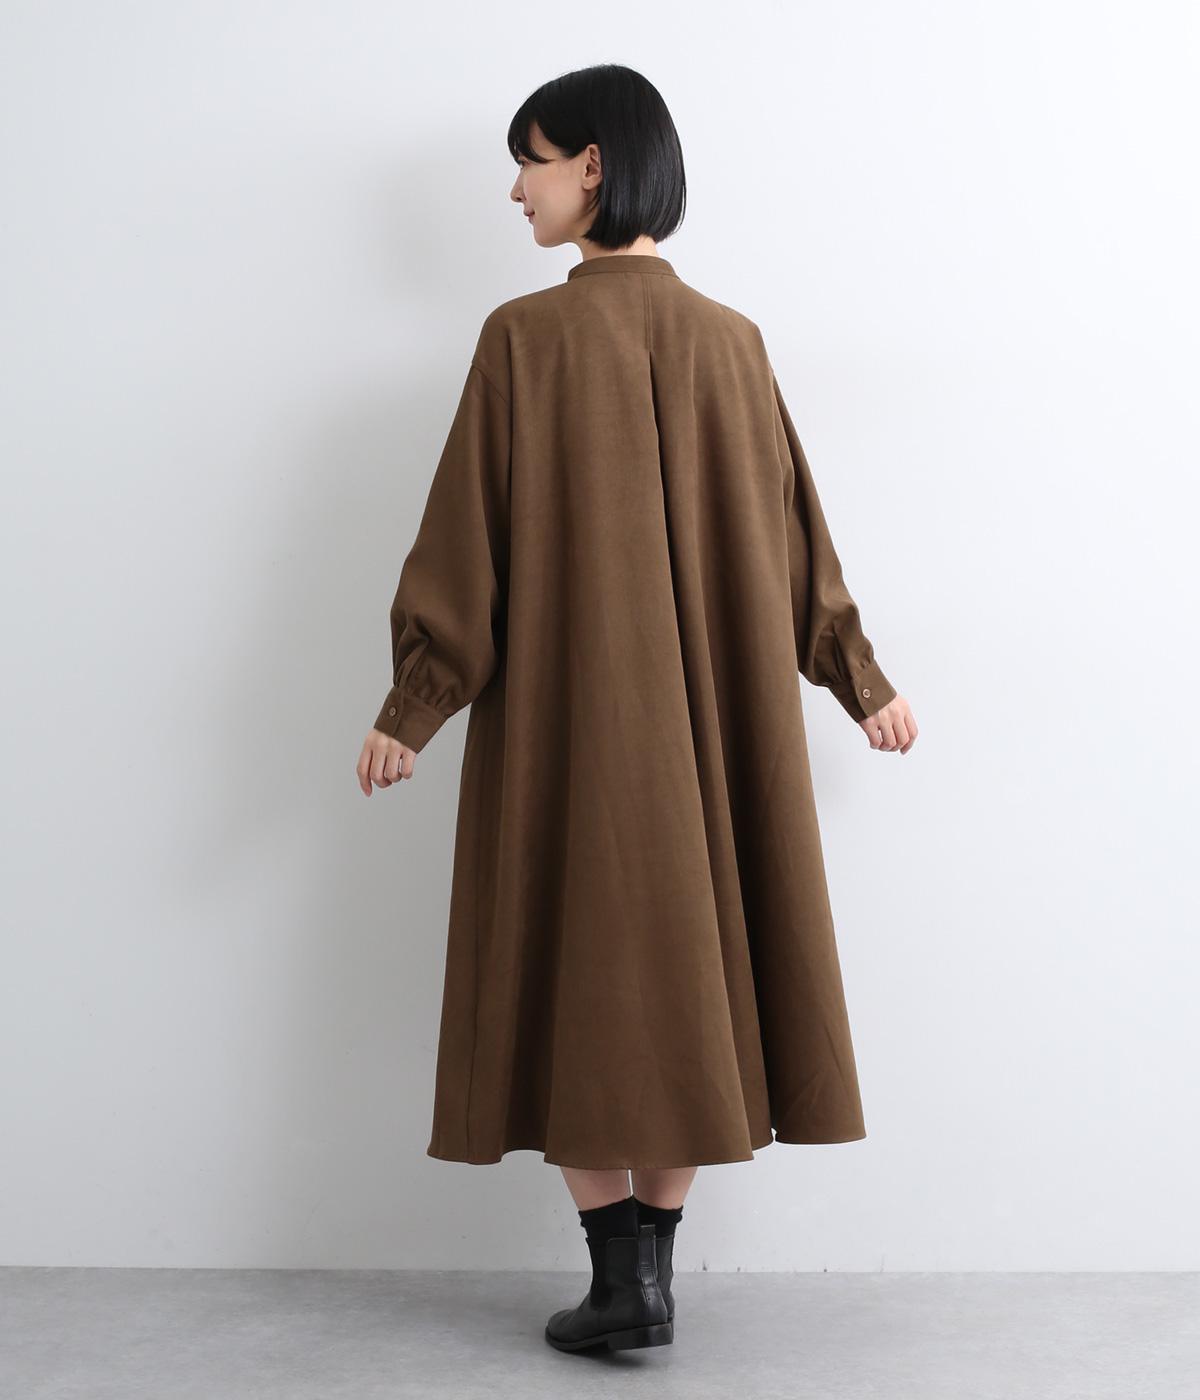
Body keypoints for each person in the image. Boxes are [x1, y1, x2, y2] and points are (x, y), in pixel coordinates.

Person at [355, 63, 917, 1354]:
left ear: (592, 167)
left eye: (531, 162)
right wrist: (860, 682)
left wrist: (413, 706)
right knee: (695, 981)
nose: (517, 190)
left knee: (576, 973)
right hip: (715, 739)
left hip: (573, 730)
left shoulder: (523, 341)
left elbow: (465, 550)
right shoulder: (733, 342)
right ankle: (648, 1278)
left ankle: (621, 1279)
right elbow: (799, 547)